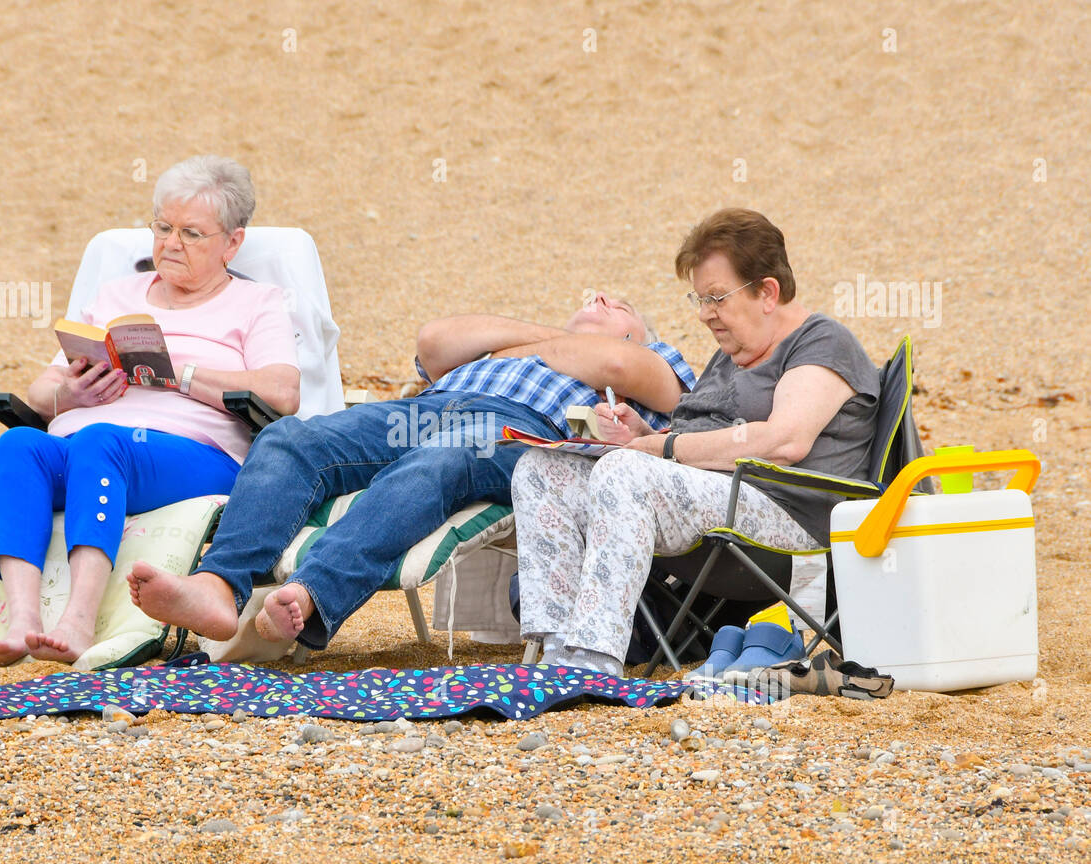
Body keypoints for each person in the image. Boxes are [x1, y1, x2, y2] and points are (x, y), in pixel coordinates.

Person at [127, 293, 696, 652]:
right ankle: (217, 585)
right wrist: (557, 340)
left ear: (638, 332)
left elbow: (618, 362)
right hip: (418, 410)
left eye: (618, 304)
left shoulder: (658, 358)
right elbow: (433, 341)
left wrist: (560, 346)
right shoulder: (534, 344)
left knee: (439, 463)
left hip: (519, 430)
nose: (598, 293)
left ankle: (313, 592)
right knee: (290, 437)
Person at [510, 208, 881, 676]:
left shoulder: (822, 342)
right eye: (699, 298)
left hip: (788, 519)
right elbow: (699, 437)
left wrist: (662, 451)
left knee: (627, 473)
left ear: (767, 292)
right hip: (711, 501)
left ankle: (593, 660)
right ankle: (558, 647)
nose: (706, 314)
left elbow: (785, 440)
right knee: (542, 470)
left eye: (717, 298)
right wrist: (644, 436)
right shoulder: (734, 351)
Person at [0, 155, 300, 666]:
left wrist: (183, 375)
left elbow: (283, 393)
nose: (171, 243)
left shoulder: (257, 302)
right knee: (18, 444)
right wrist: (71, 393)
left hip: (194, 455)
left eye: (192, 233)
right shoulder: (117, 295)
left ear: (232, 242)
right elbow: (38, 395)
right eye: (163, 227)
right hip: (88, 443)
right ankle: (22, 622)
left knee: (99, 441)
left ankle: (78, 623)